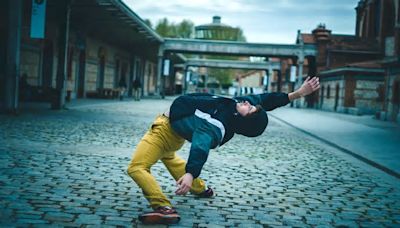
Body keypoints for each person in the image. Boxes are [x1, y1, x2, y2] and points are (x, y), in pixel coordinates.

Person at [127, 76, 320, 225]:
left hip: (164, 131)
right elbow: (265, 99)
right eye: (251, 105)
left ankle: (163, 207)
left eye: (250, 109)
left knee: (137, 167)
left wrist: (190, 173)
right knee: (168, 157)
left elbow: (200, 146)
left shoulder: (217, 125)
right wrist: (298, 93)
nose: (248, 104)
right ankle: (201, 189)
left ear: (242, 120)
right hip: (176, 135)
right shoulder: (236, 105)